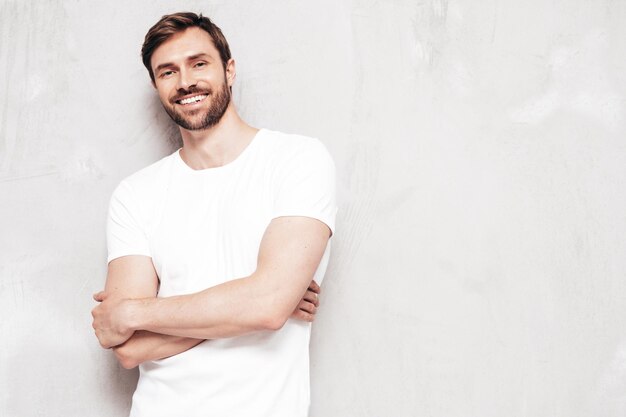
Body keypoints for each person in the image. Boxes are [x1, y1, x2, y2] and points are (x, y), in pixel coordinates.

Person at [90, 11, 336, 417]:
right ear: (156, 87)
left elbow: (268, 305)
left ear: (230, 70)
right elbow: (131, 348)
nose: (185, 81)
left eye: (199, 63)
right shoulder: (135, 195)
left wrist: (133, 311)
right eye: (167, 72)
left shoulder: (298, 161)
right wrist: (252, 304)